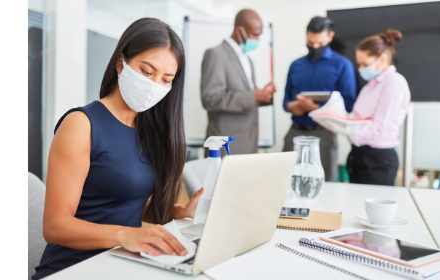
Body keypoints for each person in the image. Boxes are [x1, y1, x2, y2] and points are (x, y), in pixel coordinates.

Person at [32, 18, 204, 280]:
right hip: (73, 269)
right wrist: (126, 234)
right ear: (121, 63)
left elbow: (125, 200)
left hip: (123, 263)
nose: (154, 85)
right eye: (147, 72)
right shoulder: (81, 124)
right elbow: (55, 226)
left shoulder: (149, 130)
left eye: (166, 79)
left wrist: (181, 212)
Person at [282, 16, 357, 182]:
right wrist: (292, 106)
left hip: (324, 135)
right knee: (286, 182)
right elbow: (285, 101)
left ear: (330, 37)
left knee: (325, 185)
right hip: (294, 133)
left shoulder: (342, 65)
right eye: (310, 42)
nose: (315, 46)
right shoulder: (295, 65)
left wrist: (315, 108)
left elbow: (348, 105)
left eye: (320, 43)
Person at [200, 9, 276, 156]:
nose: (257, 40)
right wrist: (253, 96)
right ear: (240, 30)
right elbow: (210, 99)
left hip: (248, 142)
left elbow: (245, 93)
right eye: (254, 35)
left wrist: (263, 94)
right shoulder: (215, 54)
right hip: (226, 146)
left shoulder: (247, 59)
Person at [345, 29, 410, 185]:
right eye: (359, 64)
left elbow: (380, 126)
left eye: (364, 64)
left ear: (381, 59)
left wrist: (348, 130)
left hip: (378, 161)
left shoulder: (394, 83)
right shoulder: (370, 86)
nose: (360, 68)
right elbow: (359, 116)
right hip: (358, 154)